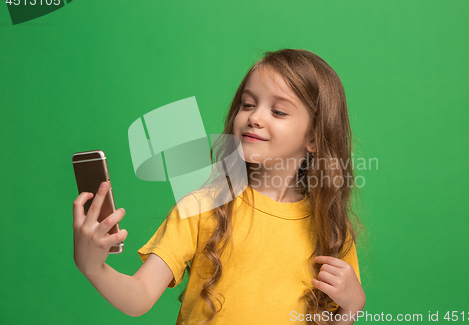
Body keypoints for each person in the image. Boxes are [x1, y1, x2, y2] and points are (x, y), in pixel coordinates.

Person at [72, 48, 366, 325]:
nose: (254, 117)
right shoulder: (201, 208)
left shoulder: (332, 232)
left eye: (278, 111)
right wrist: (93, 267)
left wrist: (351, 307)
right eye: (248, 104)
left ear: (314, 138)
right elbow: (139, 298)